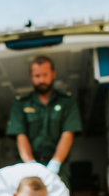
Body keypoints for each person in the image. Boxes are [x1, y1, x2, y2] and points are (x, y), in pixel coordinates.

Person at [5, 56, 83, 187]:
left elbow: (68, 134)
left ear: (53, 74)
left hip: (58, 167)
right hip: (27, 166)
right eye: (37, 76)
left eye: (45, 74)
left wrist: (55, 164)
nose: (41, 80)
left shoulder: (67, 101)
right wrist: (31, 165)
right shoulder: (21, 103)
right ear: (31, 77)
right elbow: (20, 135)